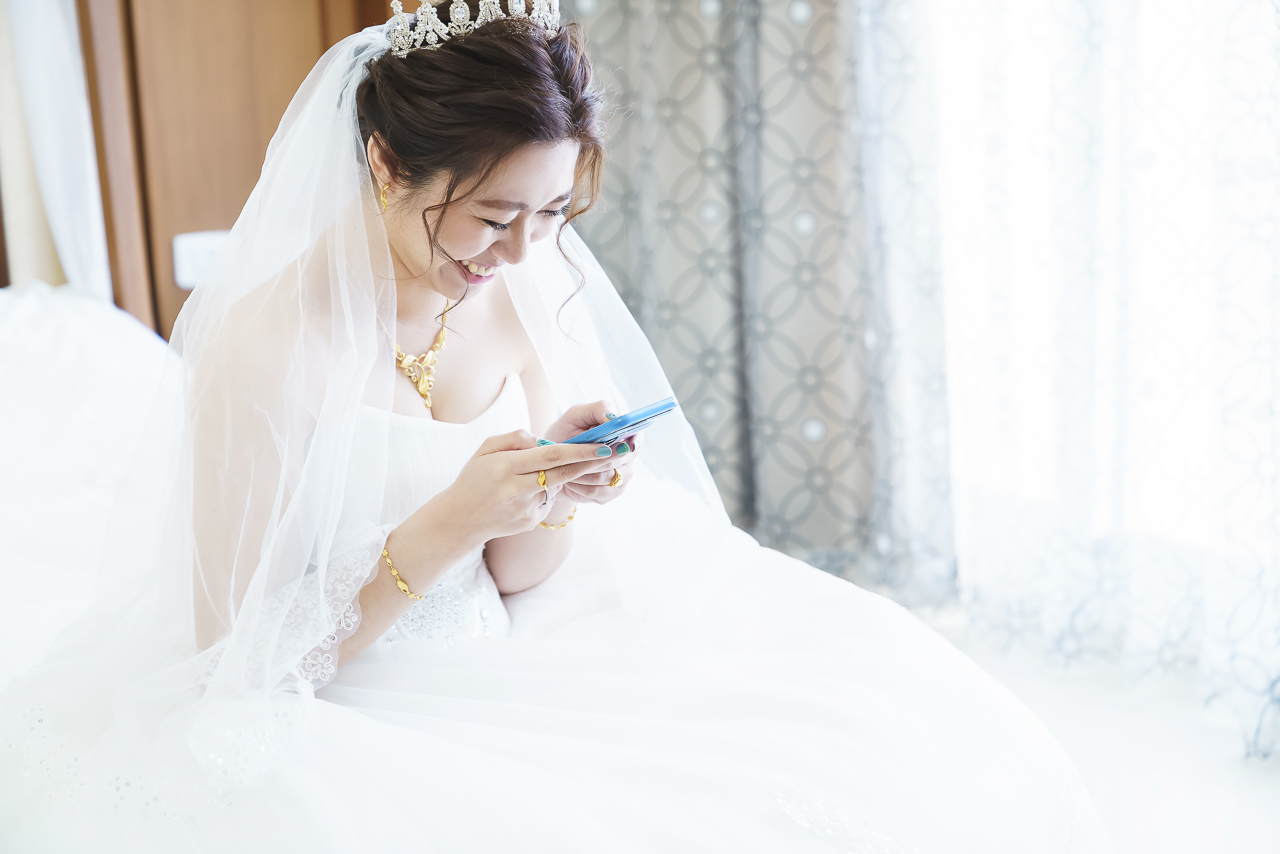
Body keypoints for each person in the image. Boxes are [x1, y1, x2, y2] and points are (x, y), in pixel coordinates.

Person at [0, 3, 1114, 851]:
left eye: (550, 213)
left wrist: (552, 491)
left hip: (518, 639)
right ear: (385, 165)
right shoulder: (263, 351)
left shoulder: (523, 282)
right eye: (493, 216)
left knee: (871, 734)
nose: (525, 253)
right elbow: (234, 668)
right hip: (347, 696)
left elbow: (524, 573)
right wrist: (449, 520)